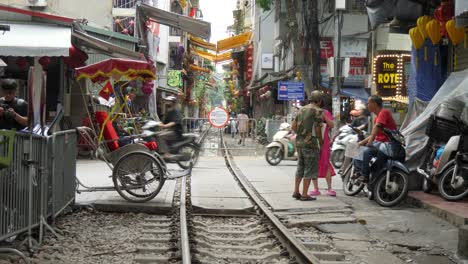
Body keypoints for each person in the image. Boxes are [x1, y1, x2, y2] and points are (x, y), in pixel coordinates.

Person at [354, 95, 397, 182]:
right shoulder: (377, 117)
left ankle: (365, 175)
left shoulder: (383, 112)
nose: (367, 105)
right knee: (356, 150)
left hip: (386, 144)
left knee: (366, 152)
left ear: (374, 104)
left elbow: (377, 127)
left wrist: (369, 142)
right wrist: (361, 142)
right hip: (379, 143)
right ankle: (360, 171)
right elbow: (375, 133)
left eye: (368, 103)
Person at [291, 91, 324, 201]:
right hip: (310, 144)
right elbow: (318, 129)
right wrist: (320, 141)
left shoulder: (301, 109)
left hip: (299, 143)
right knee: (309, 169)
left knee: (300, 167)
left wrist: (301, 135)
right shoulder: (318, 111)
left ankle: (296, 191)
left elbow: (293, 126)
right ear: (319, 101)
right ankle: (304, 194)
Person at [309, 101, 336, 197]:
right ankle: (316, 189)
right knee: (313, 163)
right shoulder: (309, 112)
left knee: (326, 163)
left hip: (324, 142)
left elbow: (332, 125)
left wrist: (324, 117)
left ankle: (330, 188)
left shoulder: (325, 112)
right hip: (312, 141)